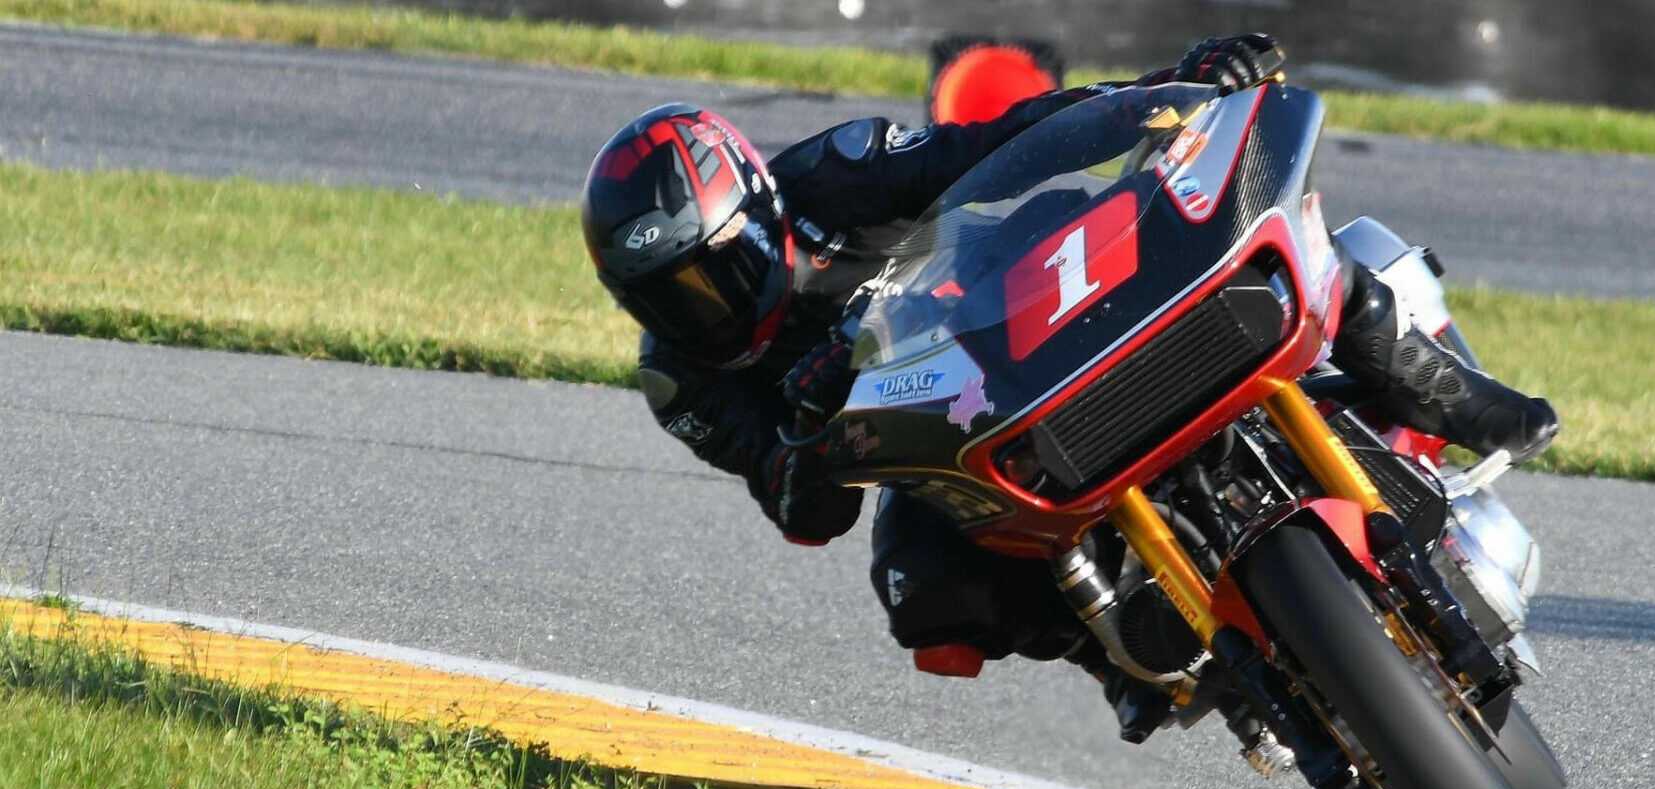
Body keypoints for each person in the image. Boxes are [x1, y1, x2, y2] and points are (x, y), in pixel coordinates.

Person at [580, 33, 1557, 740]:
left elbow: (992, 146)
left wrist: (1169, 89)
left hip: (1014, 295)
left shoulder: (830, 175)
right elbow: (804, 514)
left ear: (754, 207)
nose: (703, 307)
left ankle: (1446, 392)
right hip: (936, 423)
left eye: (714, 268)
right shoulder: (681, 383)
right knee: (926, 592)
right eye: (671, 298)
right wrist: (808, 417)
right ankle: (1125, 651)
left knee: (1258, 243)